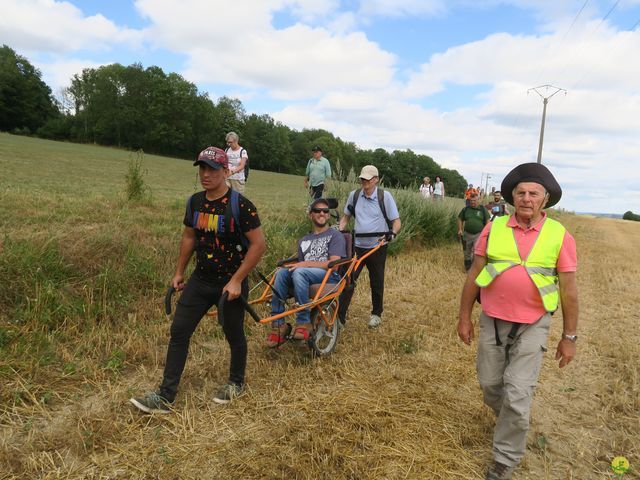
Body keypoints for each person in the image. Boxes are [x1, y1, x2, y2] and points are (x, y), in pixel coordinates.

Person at [457, 162, 578, 480]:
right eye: (520, 192)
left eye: (533, 193)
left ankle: (504, 458)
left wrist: (570, 336)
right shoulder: (494, 227)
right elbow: (474, 274)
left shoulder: (559, 235)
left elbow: (569, 290)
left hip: (534, 323)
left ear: (545, 198)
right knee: (490, 386)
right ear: (512, 197)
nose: (526, 198)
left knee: (518, 392)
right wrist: (464, 318)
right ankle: (510, 417)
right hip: (493, 320)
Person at [130, 146, 266, 413]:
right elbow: (189, 237)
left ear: (226, 171)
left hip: (230, 283)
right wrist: (179, 272)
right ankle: (165, 396)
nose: (205, 174)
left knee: (233, 332)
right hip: (200, 279)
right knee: (179, 331)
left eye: (212, 169)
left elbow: (258, 246)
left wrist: (237, 280)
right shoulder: (195, 203)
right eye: (202, 168)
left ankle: (236, 383)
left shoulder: (241, 206)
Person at [266, 198, 347, 346]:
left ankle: (304, 323)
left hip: (328, 276)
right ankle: (278, 324)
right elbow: (300, 264)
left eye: (325, 211)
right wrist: (289, 267)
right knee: (281, 273)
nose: (322, 213)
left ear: (328, 215)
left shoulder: (335, 236)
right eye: (317, 211)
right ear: (311, 215)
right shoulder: (304, 240)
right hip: (305, 275)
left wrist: (306, 264)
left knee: (300, 272)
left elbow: (334, 264)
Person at [338, 165, 401, 328]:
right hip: (356, 246)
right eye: (362, 178)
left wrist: (392, 233)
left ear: (376, 180)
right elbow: (346, 218)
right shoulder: (355, 195)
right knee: (347, 281)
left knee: (377, 281)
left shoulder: (384, 197)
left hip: (377, 246)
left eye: (367, 178)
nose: (364, 181)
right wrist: (339, 231)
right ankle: (340, 318)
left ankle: (376, 314)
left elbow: (396, 222)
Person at [457, 192, 490, 271]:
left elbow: (488, 221)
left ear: (478, 200)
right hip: (467, 234)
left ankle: (474, 269)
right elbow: (459, 218)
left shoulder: (482, 209)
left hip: (479, 234)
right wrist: (460, 229)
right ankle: (467, 269)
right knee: (466, 252)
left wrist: (486, 233)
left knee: (477, 252)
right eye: (471, 200)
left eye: (474, 200)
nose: (473, 202)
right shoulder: (466, 209)